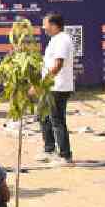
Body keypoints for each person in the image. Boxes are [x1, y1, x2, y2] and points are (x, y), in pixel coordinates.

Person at [38, 12, 75, 165]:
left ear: (54, 25)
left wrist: (43, 83)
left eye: (45, 25)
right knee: (43, 116)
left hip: (58, 87)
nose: (43, 28)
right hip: (50, 86)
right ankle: (49, 150)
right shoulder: (55, 39)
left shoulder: (62, 40)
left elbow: (58, 65)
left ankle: (65, 155)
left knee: (57, 120)